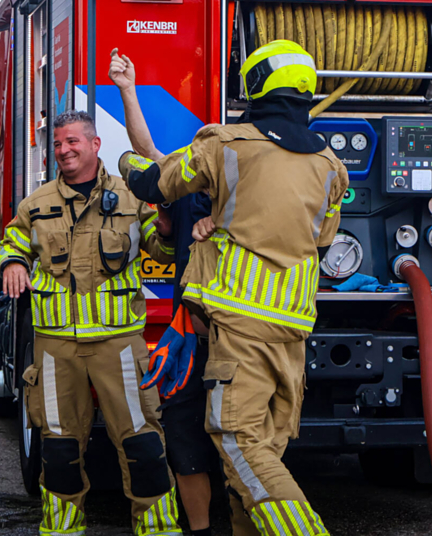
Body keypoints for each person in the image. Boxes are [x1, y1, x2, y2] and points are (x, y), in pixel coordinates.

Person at [120, 40, 348, 536]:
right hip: (291, 333)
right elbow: (323, 239)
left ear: (255, 84)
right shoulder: (331, 167)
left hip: (239, 328)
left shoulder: (225, 143)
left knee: (242, 447)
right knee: (253, 458)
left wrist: (127, 165)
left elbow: (154, 185)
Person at [0, 110, 182, 536]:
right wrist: (11, 264)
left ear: (95, 145)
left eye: (72, 142)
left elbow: (163, 247)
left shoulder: (132, 199)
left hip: (119, 346)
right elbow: (12, 243)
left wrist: (169, 221)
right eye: (58, 144)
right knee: (58, 451)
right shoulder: (37, 203)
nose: (63, 150)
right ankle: (62, 530)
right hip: (56, 349)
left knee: (142, 444)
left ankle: (158, 529)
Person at [109, 48, 220, 536]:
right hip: (188, 333)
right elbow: (148, 149)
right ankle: (200, 530)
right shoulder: (187, 187)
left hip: (232, 335)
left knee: (221, 439)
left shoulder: (246, 198)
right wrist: (128, 90)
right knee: (182, 433)